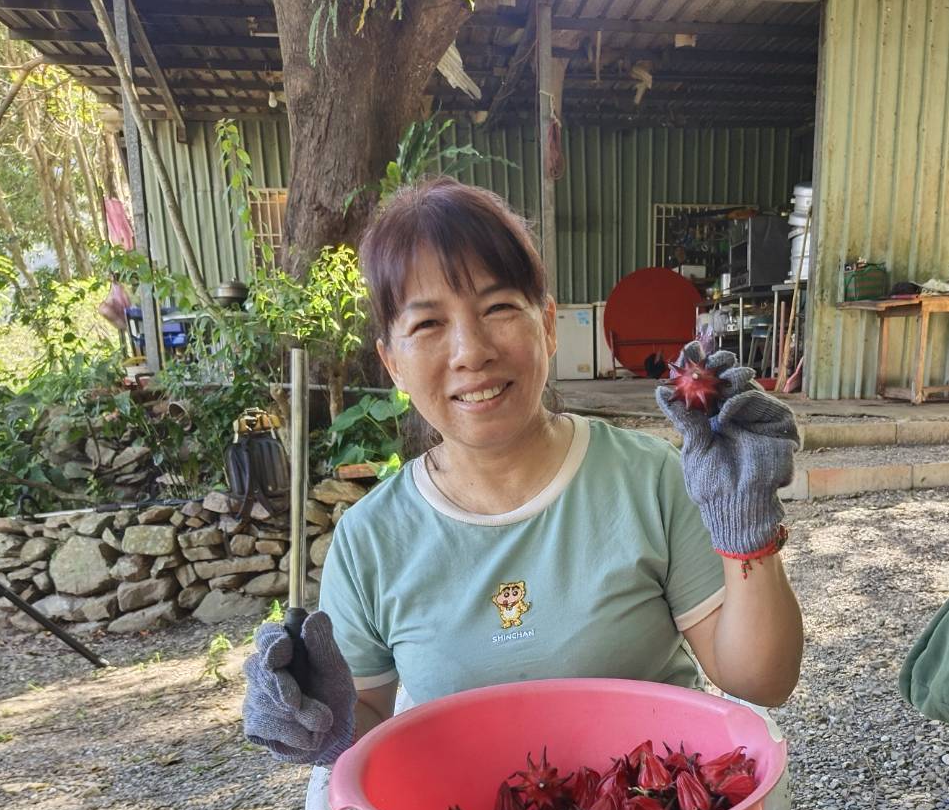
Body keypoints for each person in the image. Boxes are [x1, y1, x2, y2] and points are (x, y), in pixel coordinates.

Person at [243, 178, 803, 764]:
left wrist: (748, 533)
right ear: (392, 364)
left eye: (498, 307)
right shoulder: (370, 540)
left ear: (549, 325)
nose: (471, 350)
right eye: (428, 324)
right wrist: (320, 722)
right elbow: (369, 724)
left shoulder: (652, 481)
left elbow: (762, 682)